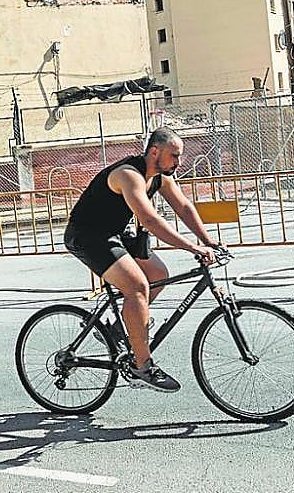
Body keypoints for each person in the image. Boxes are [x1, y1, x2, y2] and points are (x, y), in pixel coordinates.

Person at [64, 128, 220, 392]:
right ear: (155, 152)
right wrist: (191, 247)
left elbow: (183, 206)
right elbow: (149, 219)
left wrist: (208, 241)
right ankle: (142, 367)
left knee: (159, 274)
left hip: (117, 233)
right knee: (137, 286)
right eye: (174, 156)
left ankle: (117, 330)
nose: (178, 163)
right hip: (89, 235)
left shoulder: (161, 177)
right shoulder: (128, 174)